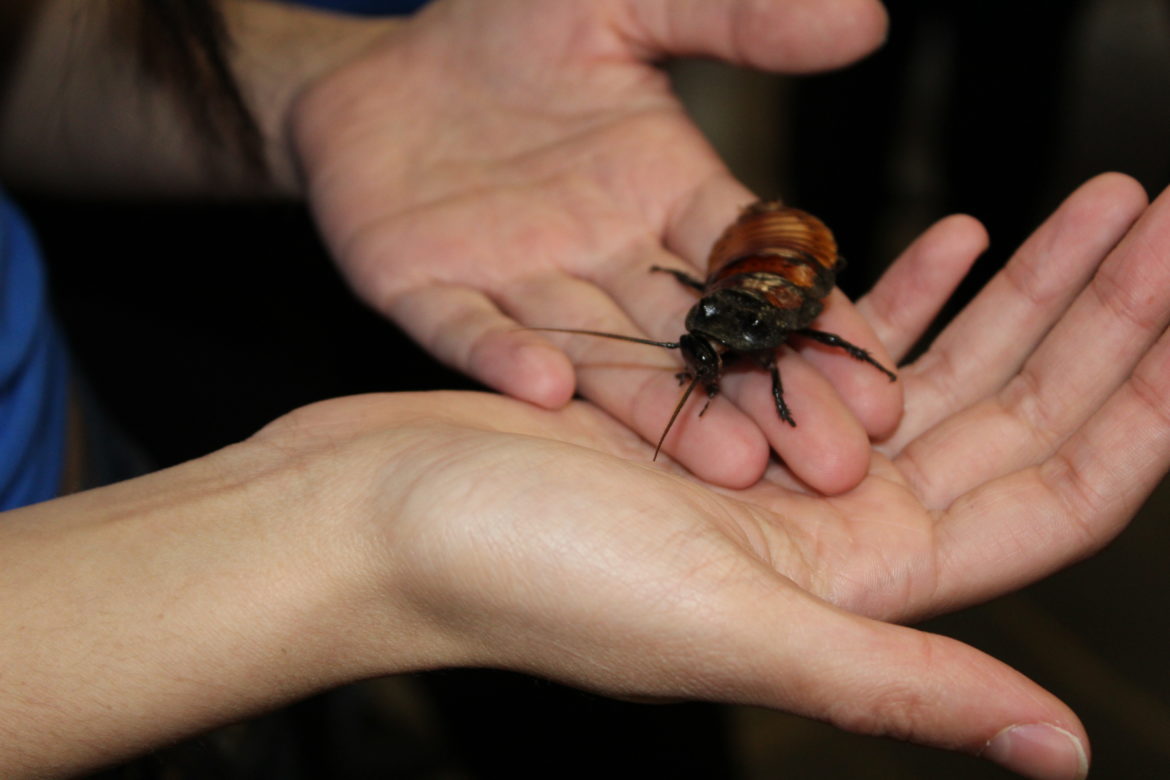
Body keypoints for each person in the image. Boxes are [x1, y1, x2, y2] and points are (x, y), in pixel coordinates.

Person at [0, 2, 1166, 779]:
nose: (702, 362)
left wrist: (338, 79)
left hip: (81, 446)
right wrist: (355, 539)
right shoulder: (720, 324)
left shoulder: (751, 311)